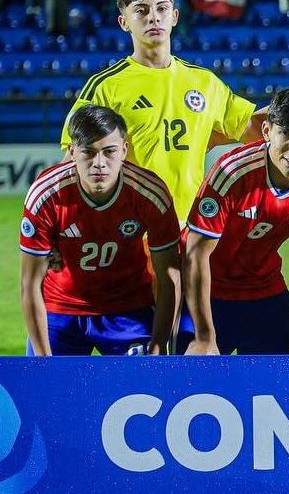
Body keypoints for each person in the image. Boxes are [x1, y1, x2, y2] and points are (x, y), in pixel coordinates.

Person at [61, 0, 262, 224]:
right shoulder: (105, 87)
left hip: (191, 227)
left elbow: (254, 127)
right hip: (131, 229)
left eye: (162, 8)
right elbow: (73, 160)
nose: (153, 17)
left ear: (174, 17)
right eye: (141, 10)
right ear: (124, 23)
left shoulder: (205, 82)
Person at [183, 86, 289, 355]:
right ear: (267, 131)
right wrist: (204, 336)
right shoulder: (232, 172)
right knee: (192, 383)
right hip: (206, 288)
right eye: (285, 134)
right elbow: (195, 255)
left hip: (262, 286)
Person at [21, 105, 181, 355]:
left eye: (109, 152)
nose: (99, 163)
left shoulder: (151, 194)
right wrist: (43, 363)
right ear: (72, 152)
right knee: (46, 391)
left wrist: (159, 346)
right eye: (89, 152)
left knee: (140, 391)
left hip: (128, 310)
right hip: (60, 311)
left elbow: (170, 278)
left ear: (124, 151)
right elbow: (30, 283)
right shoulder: (46, 194)